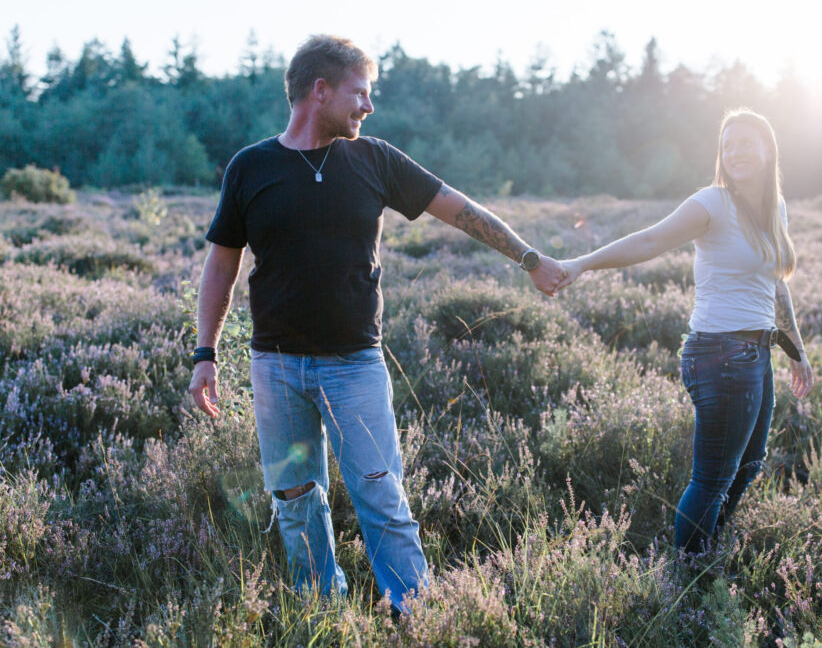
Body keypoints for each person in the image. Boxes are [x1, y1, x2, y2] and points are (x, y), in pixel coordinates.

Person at [187, 35, 564, 612]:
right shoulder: (251, 167)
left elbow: (459, 209)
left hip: (354, 366)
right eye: (360, 93)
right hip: (276, 368)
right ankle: (321, 612)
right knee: (295, 501)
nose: (369, 105)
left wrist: (529, 258)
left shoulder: (376, 159)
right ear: (320, 91)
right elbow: (221, 265)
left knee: (382, 497)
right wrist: (205, 354)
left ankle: (417, 616)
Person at [556, 109, 814, 552]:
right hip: (721, 355)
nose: (734, 153)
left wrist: (797, 350)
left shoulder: (776, 210)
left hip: (757, 353)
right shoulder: (713, 203)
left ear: (768, 150)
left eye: (745, 144)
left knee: (749, 465)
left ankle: (706, 547)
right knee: (712, 480)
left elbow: (775, 285)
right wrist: (581, 264)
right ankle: (687, 571)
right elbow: (650, 240)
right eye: (727, 146)